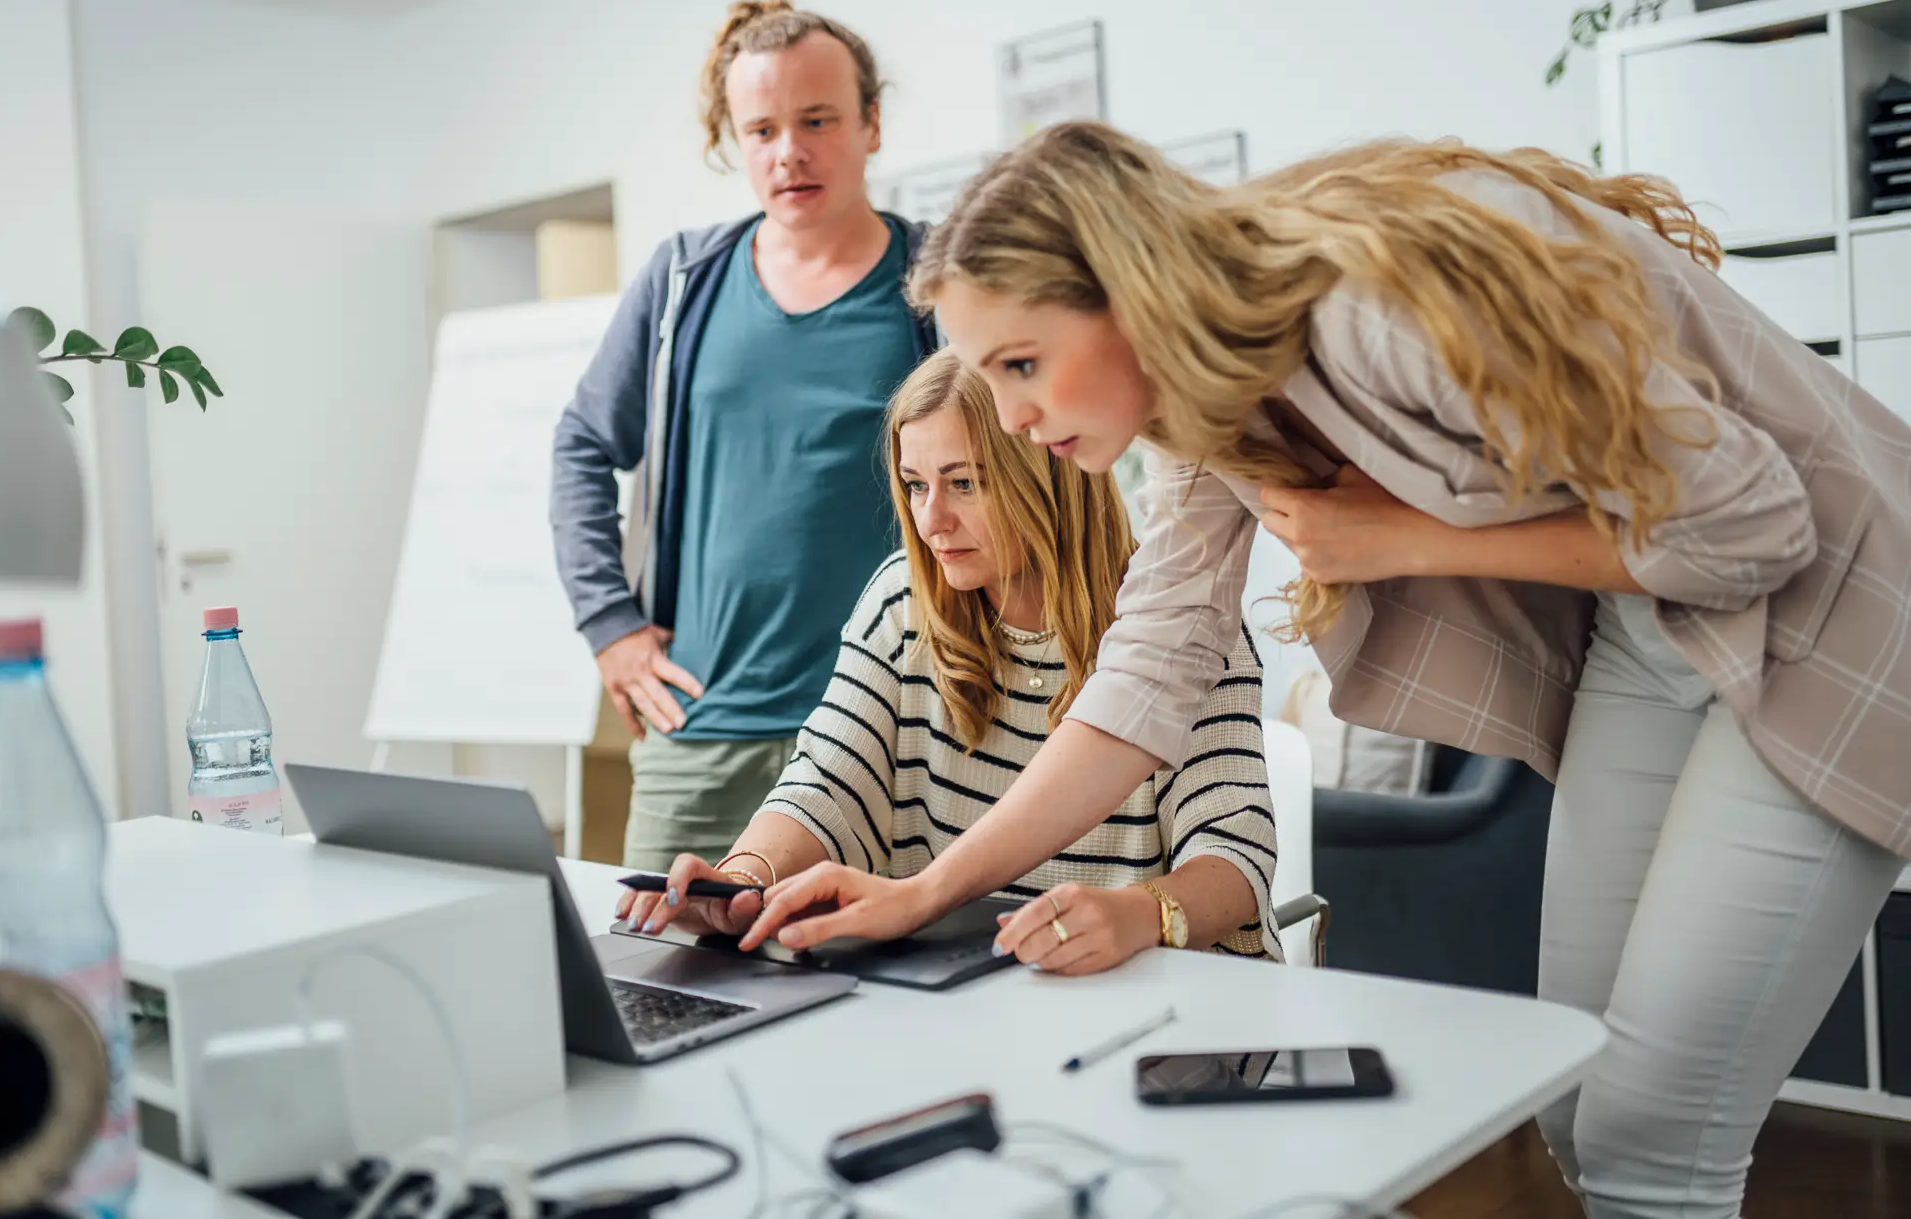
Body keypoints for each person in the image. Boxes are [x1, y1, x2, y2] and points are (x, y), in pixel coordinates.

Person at [741, 122, 1911, 1219]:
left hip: (1832, 611)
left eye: (1021, 363)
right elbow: (1148, 673)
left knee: (1652, 1131)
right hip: (1653, 622)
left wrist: (1407, 540)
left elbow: (1759, 528)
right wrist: (925, 892)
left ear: (1126, 294)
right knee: (1571, 1082)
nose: (1011, 414)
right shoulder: (1203, 408)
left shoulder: (1377, 312)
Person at [616, 348, 1280, 971]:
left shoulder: (1181, 625)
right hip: (975, 992)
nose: (932, 518)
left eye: (964, 483)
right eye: (914, 484)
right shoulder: (900, 602)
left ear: (1048, 474)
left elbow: (1235, 859)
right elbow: (825, 784)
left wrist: (1143, 913)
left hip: (1154, 996)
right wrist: (745, 876)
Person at [551, 0, 938, 870]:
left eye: (817, 120)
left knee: (889, 994)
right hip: (700, 728)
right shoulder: (683, 282)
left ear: (871, 123)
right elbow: (580, 445)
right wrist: (610, 625)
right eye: (761, 128)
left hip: (894, 730)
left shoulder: (937, 285)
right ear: (734, 139)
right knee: (660, 978)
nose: (788, 151)